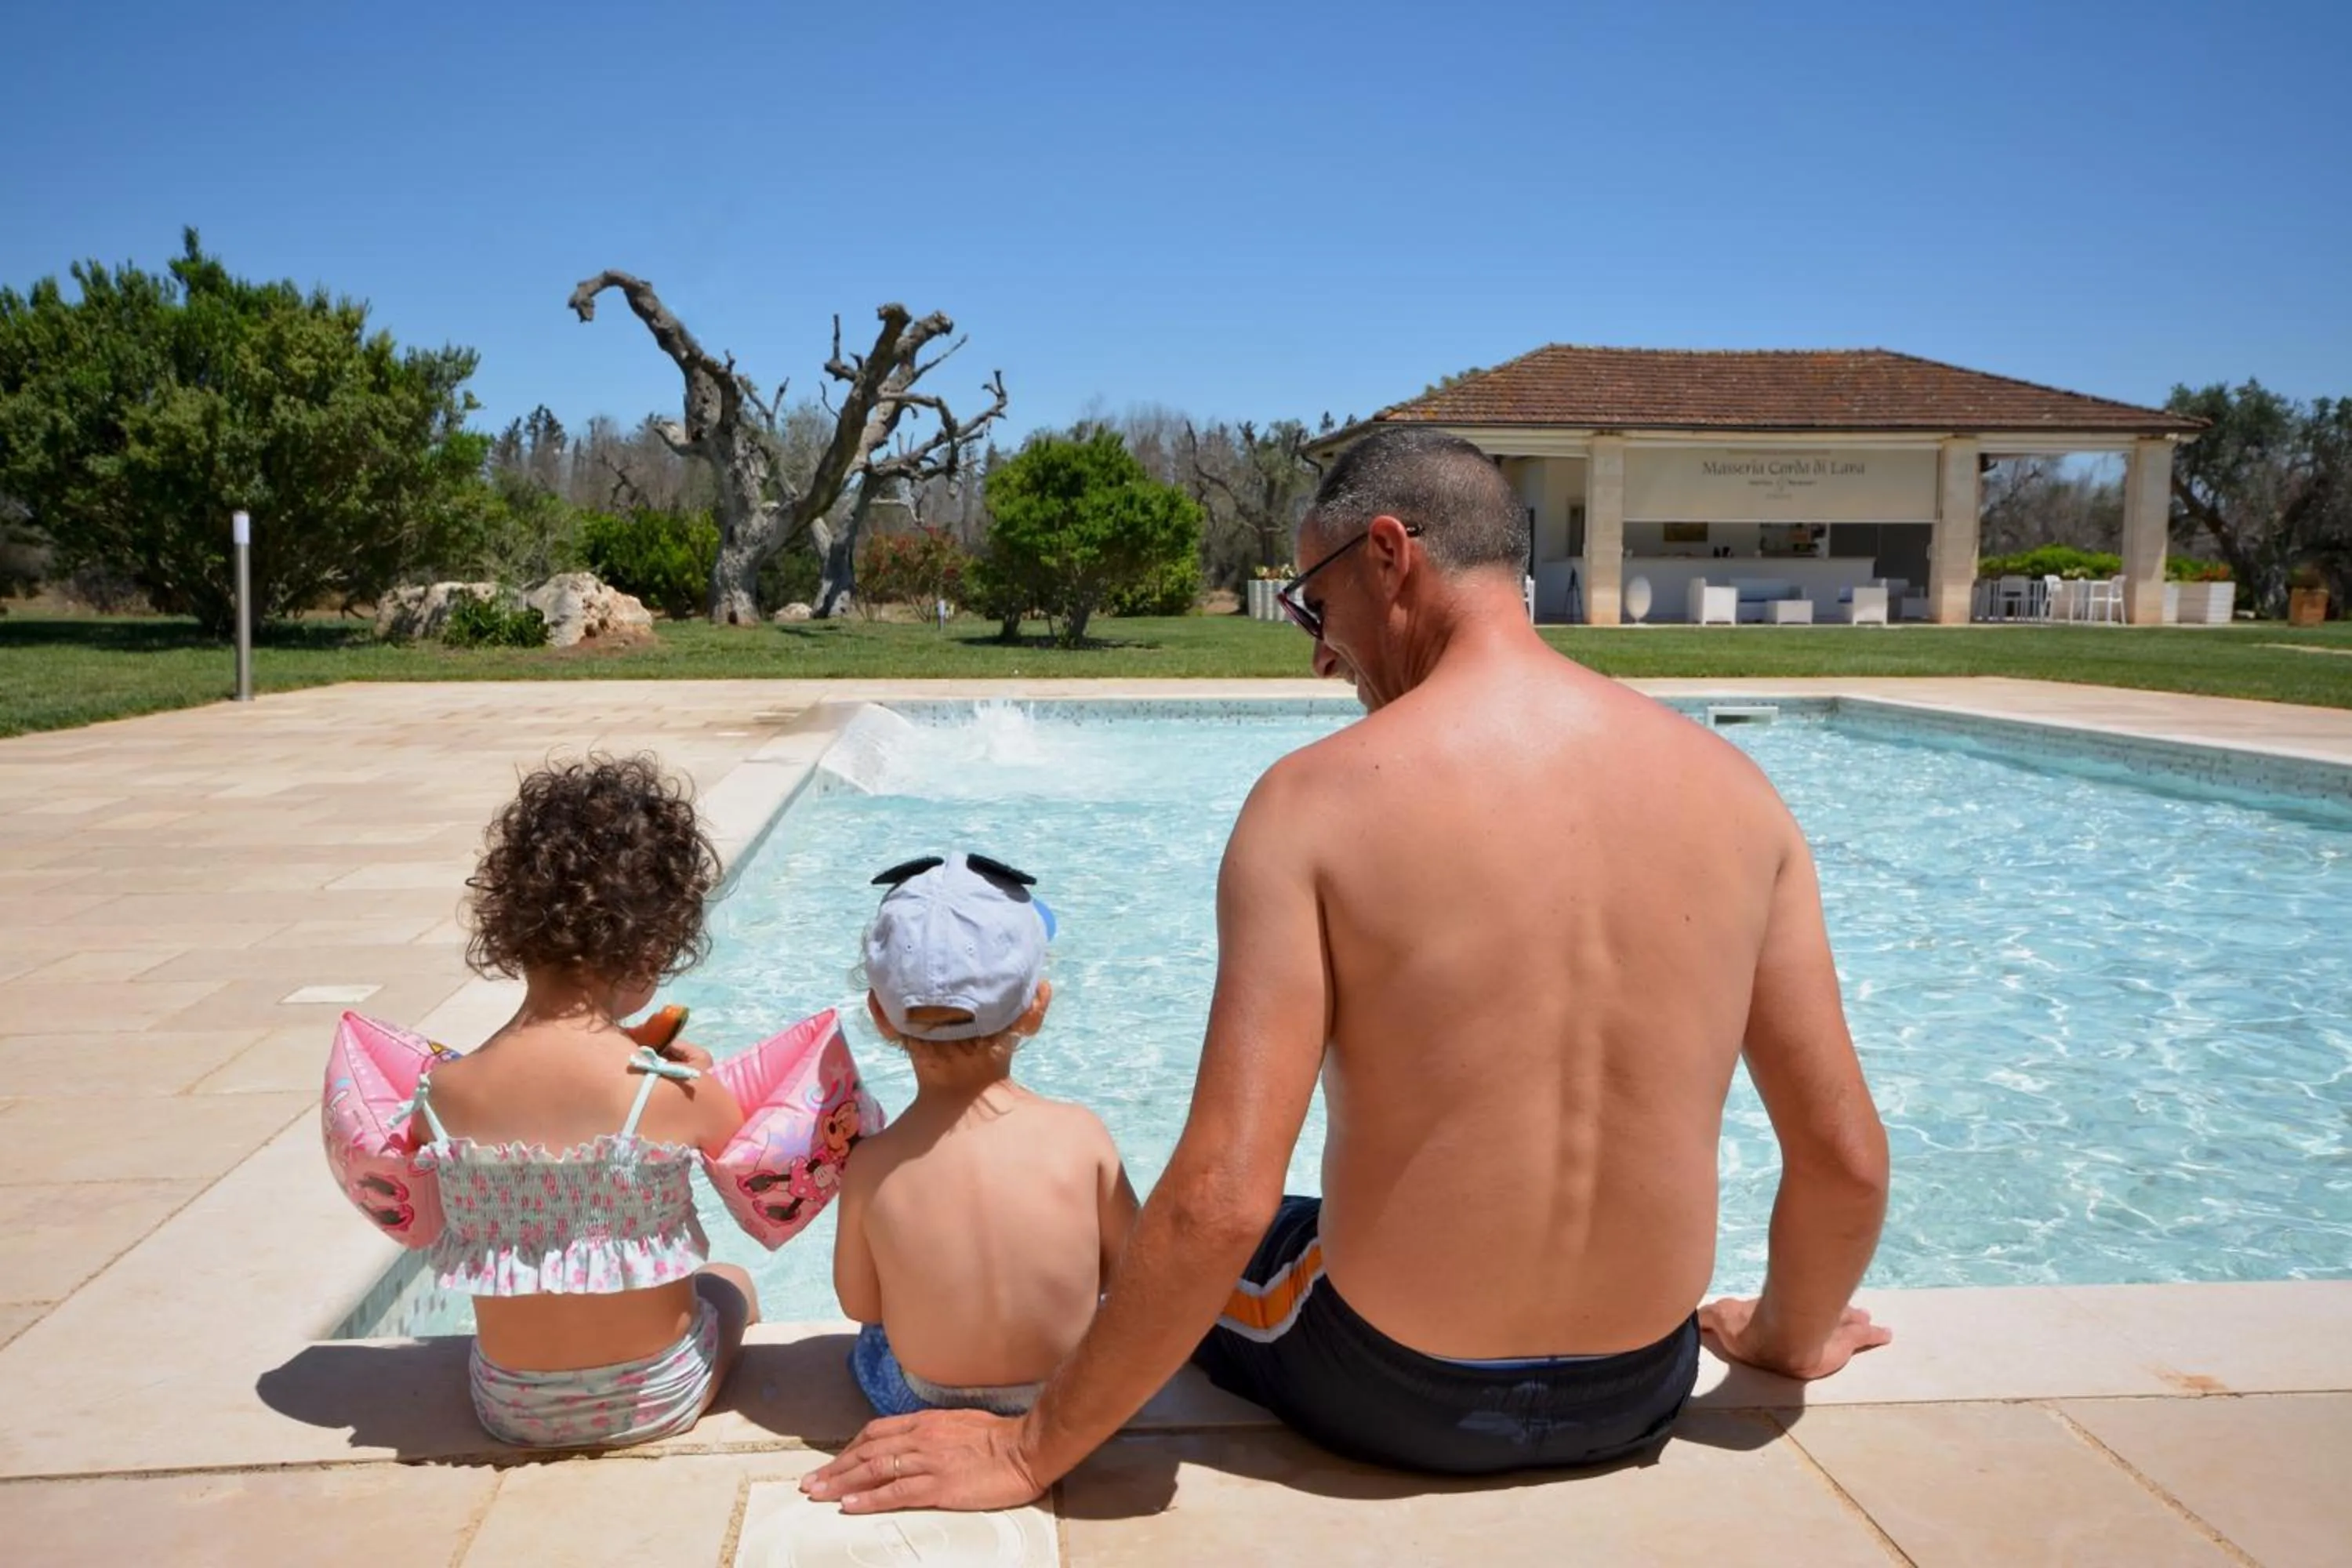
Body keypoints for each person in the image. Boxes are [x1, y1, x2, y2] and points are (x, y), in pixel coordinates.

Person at [804, 426, 1890, 1509]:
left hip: (1393, 1389)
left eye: (1312, 607)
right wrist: (1784, 1338)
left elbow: (1225, 1197)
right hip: (1638, 1383)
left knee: (1158, 1243)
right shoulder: (1740, 795)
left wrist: (1026, 1449)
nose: (1319, 653)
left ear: (1388, 553)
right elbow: (1843, 1158)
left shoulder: (1315, 806)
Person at [407, 755, 761, 1450]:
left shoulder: (441, 1094)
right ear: (654, 946)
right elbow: (750, 1152)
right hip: (657, 1398)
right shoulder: (666, 1094)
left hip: (505, 1403)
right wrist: (699, 1075)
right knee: (731, 1283)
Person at [835, 851, 1139, 1417]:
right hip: (1065, 1404)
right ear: (1036, 1008)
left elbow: (861, 1304)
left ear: (879, 1014)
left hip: (923, 1400)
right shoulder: (1081, 1135)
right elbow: (1132, 1272)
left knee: (871, 1345)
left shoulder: (872, 1165)